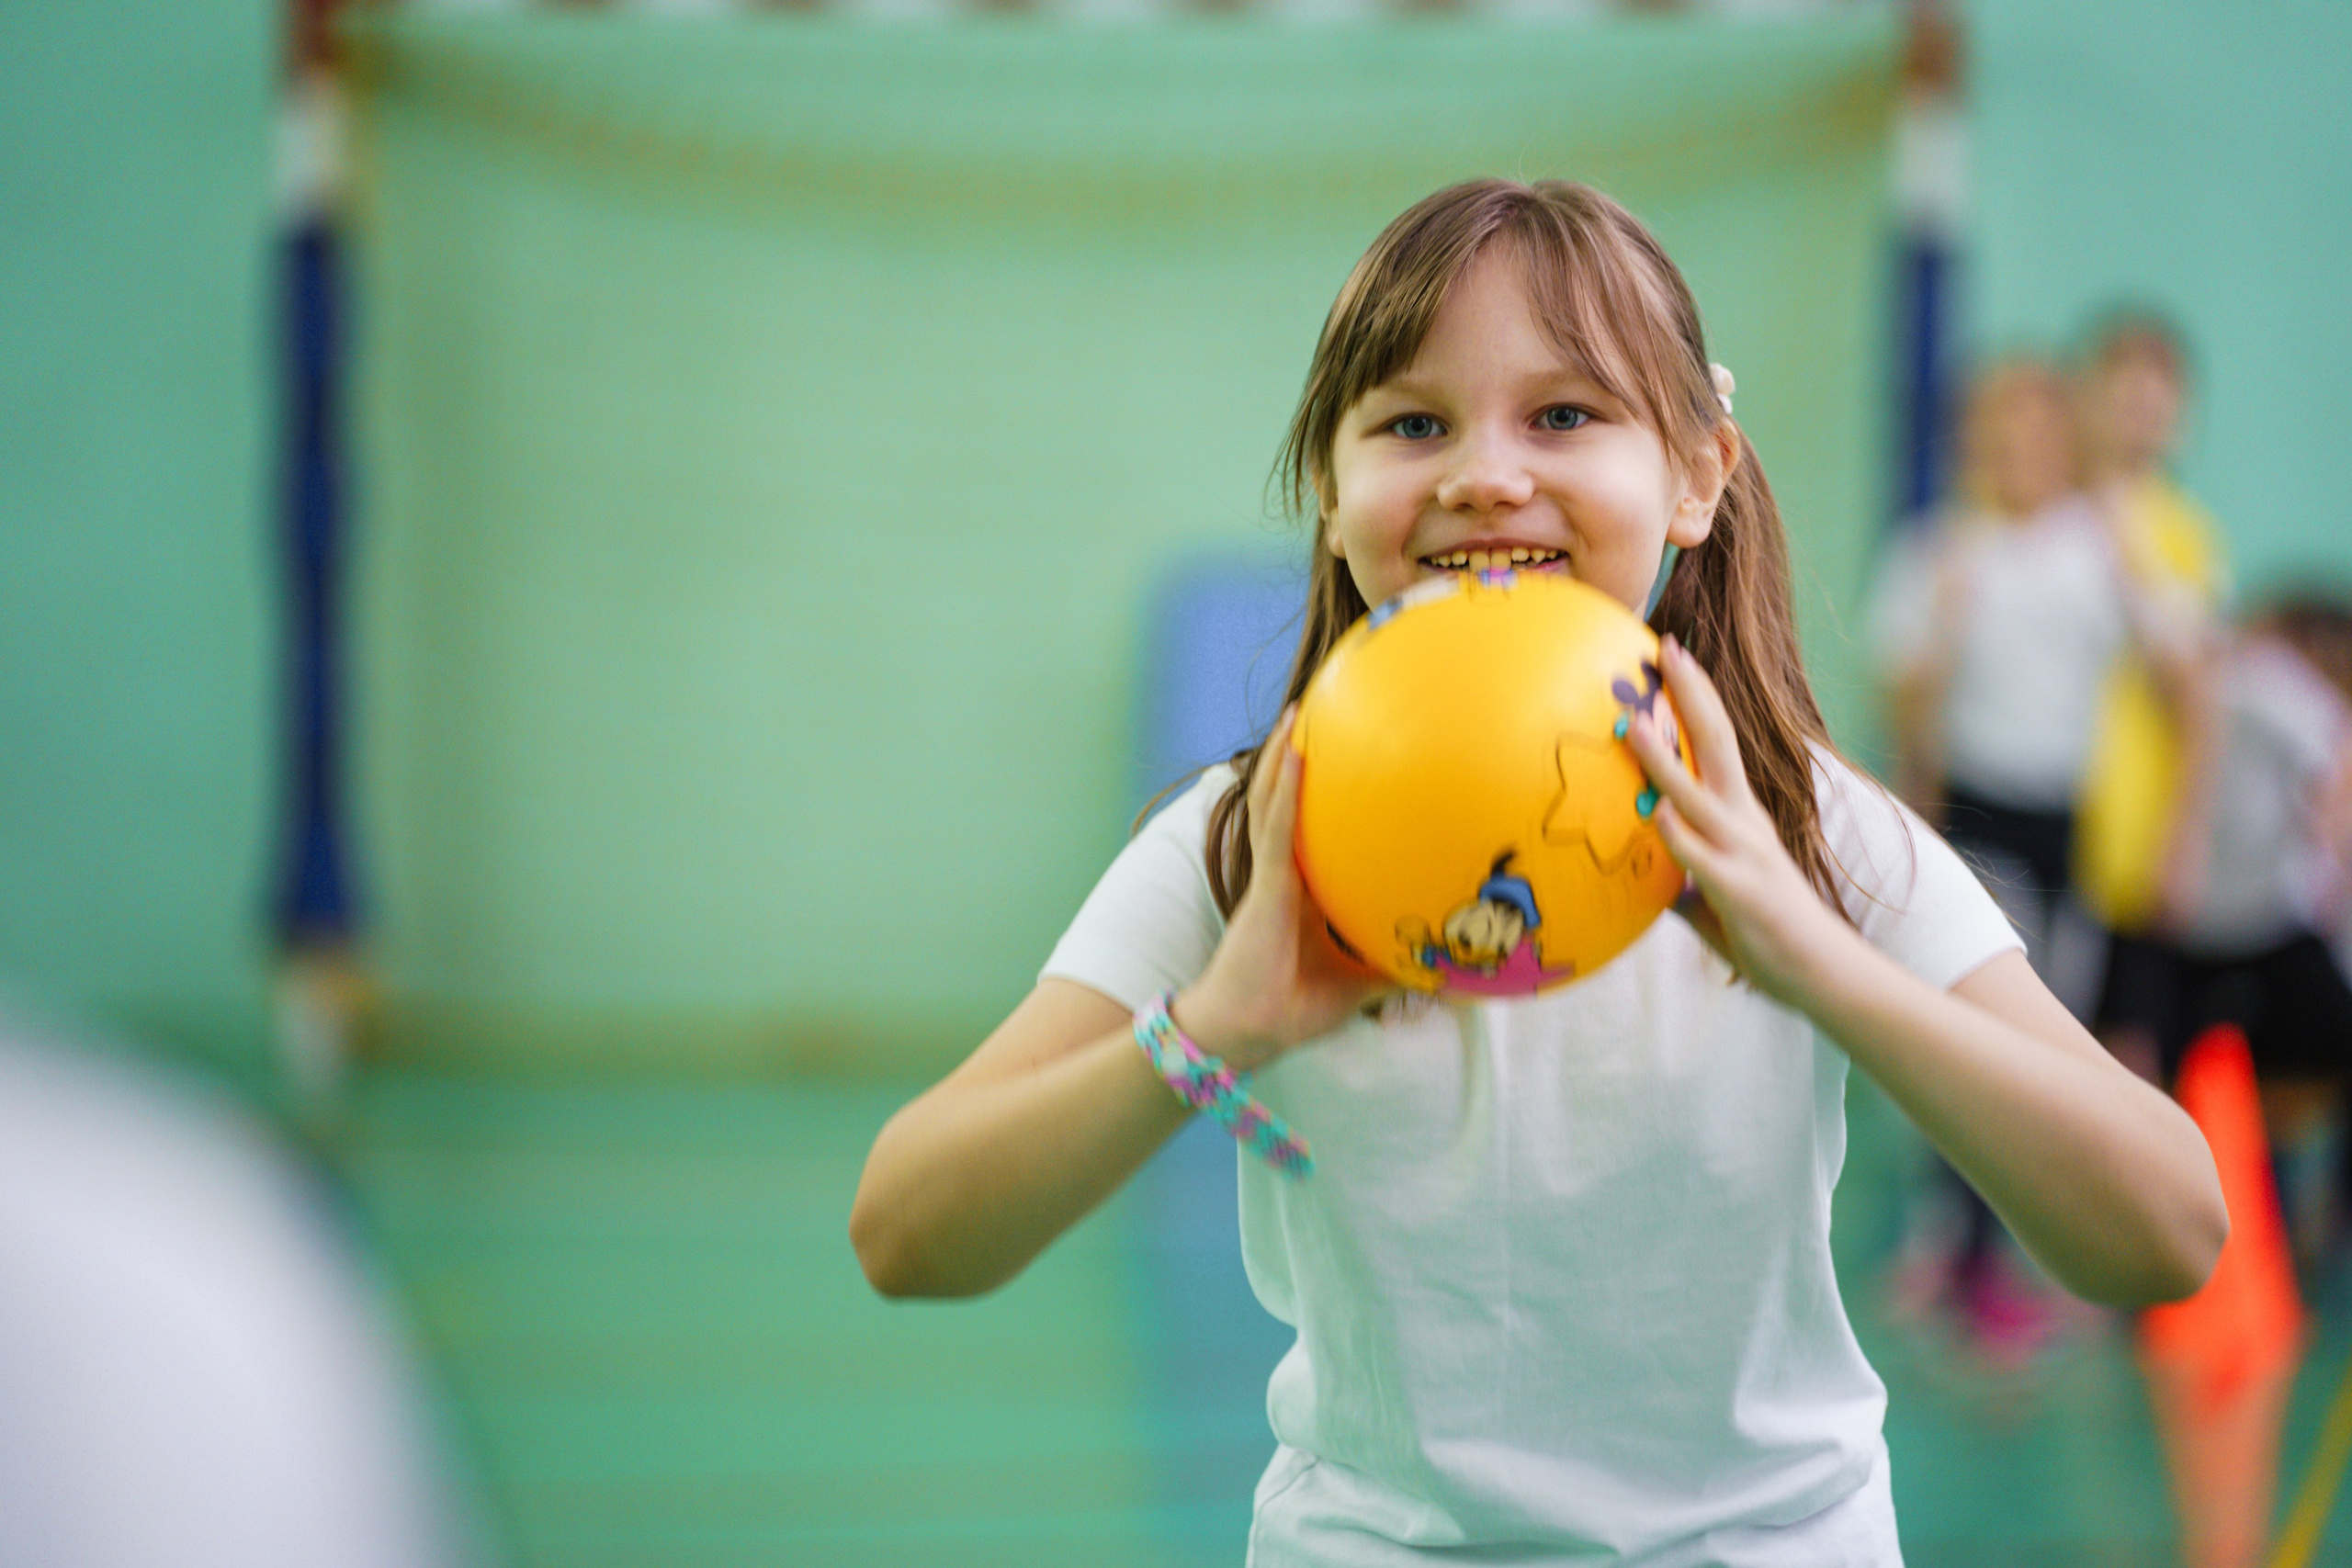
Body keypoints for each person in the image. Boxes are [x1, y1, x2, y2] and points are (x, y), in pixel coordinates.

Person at [851, 180, 2223, 1566]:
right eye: (1412, 422)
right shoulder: (1251, 837)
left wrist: (1824, 966)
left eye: (1564, 414)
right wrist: (1218, 1027)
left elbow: (2167, 1228)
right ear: (1333, 494)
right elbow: (909, 1227)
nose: (1484, 473)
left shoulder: (1811, 830)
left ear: (1697, 474)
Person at [1866, 360, 2147, 1357]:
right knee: (1979, 1037)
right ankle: (1962, 1253)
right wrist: (1916, 818)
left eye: (2032, 431)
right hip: (1975, 815)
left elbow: (2172, 663)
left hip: (2062, 820)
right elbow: (1908, 702)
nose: (2012, 451)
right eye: (1992, 433)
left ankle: (2010, 1242)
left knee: (2051, 1034)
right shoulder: (1939, 551)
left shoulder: (2094, 549)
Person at [2071, 313, 2233, 1080]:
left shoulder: (2183, 536)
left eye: (2155, 400)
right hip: (2050, 815)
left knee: (2126, 1054)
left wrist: (2185, 838)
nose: (2136, 413)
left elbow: (2199, 698)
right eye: (2120, 392)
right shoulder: (2045, 510)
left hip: (2129, 842)